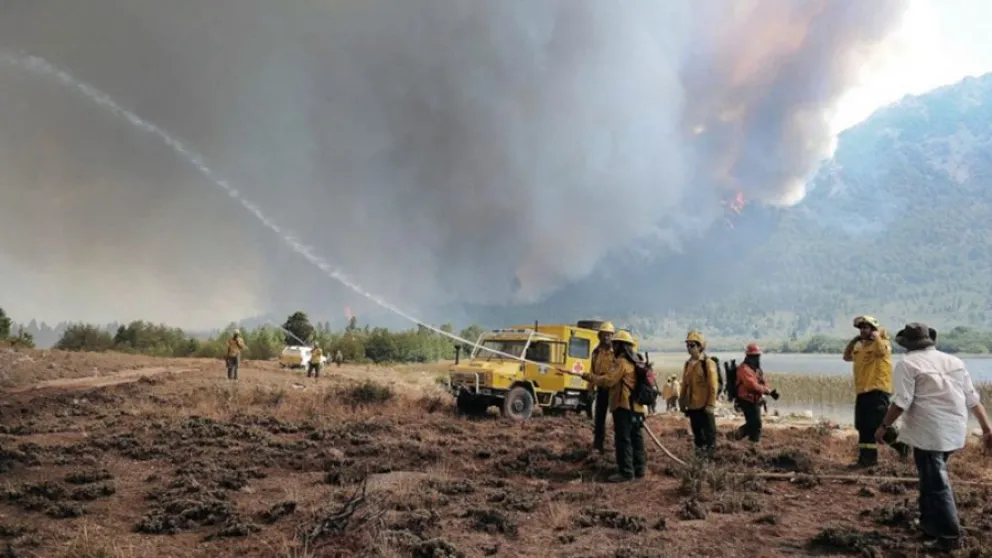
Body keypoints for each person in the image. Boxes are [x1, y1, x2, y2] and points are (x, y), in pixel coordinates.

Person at [875, 323, 992, 552]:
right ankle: (929, 525)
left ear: (907, 344)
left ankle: (949, 536)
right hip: (954, 430)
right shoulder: (954, 362)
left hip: (929, 432)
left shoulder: (907, 363)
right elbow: (973, 400)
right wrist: (987, 429)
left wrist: (884, 426)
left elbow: (901, 402)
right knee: (929, 477)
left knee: (937, 482)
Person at [580, 330, 646, 482]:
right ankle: (639, 469)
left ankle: (626, 472)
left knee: (623, 439)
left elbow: (608, 381)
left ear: (621, 346)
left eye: (615, 344)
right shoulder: (635, 361)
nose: (613, 346)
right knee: (636, 439)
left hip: (624, 406)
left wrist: (589, 377)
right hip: (636, 408)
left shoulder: (621, 362)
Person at [843, 315, 908, 467]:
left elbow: (881, 351)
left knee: (878, 424)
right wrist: (853, 341)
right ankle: (867, 460)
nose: (862, 331)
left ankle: (902, 446)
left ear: (873, 329)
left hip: (877, 391)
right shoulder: (861, 348)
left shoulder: (883, 344)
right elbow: (846, 357)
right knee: (862, 425)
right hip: (862, 391)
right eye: (860, 328)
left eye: (865, 328)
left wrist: (877, 336)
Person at [679, 330, 719, 455]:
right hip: (692, 406)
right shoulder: (687, 364)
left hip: (705, 406)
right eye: (688, 345)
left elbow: (713, 385)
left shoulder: (708, 363)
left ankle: (709, 460)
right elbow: (684, 385)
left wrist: (711, 404)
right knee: (698, 436)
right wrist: (682, 403)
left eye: (692, 345)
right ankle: (699, 459)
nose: (689, 348)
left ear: (700, 346)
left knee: (710, 436)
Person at [729, 344, 779, 443]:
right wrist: (767, 391)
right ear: (748, 356)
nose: (756, 358)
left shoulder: (756, 369)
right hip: (745, 400)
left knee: (753, 424)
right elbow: (752, 386)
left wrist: (768, 391)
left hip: (755, 400)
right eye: (754, 356)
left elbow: (762, 382)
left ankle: (740, 438)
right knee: (755, 424)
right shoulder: (744, 369)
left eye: (757, 356)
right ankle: (740, 438)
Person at [588, 321, 616, 453]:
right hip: (601, 388)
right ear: (600, 336)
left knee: (618, 418)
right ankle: (598, 445)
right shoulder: (596, 352)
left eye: (609, 334)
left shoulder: (617, 353)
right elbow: (592, 371)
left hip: (614, 389)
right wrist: (590, 388)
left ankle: (618, 445)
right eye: (605, 334)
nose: (607, 337)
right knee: (599, 418)